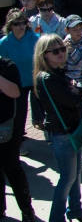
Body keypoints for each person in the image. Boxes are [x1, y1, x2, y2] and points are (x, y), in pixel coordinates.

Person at [31, 33, 82, 222]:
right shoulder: (48, 78)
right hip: (60, 133)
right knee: (67, 178)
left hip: (70, 129)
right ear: (44, 54)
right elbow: (73, 100)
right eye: (55, 51)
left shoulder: (58, 73)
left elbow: (77, 90)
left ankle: (76, 210)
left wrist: (77, 89)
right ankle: (57, 220)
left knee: (75, 175)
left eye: (62, 49)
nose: (61, 53)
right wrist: (77, 90)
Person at [0, 9, 39, 158]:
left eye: (23, 22)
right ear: (10, 25)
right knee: (19, 113)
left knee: (46, 107)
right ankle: (19, 141)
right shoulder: (4, 43)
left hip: (35, 80)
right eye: (17, 23)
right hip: (17, 84)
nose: (21, 26)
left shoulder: (35, 38)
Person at [0, 51, 32, 222]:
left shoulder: (7, 66)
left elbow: (15, 92)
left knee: (12, 169)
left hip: (7, 126)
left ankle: (27, 210)